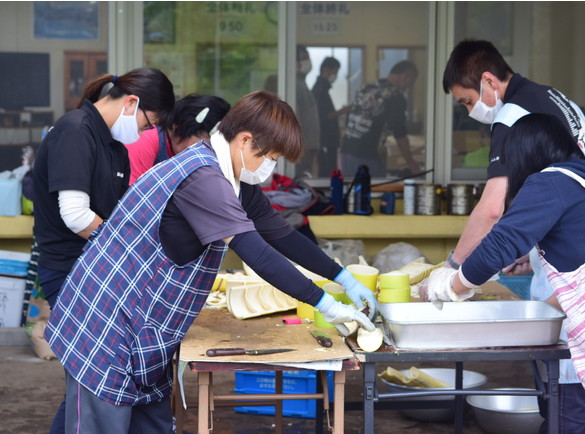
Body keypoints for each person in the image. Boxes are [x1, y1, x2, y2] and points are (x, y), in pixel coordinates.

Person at [44, 91, 377, 433]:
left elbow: (281, 234)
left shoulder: (235, 179)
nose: (270, 168)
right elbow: (257, 252)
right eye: (272, 157)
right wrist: (325, 303)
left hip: (142, 332)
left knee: (154, 425)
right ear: (246, 141)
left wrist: (343, 277)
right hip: (107, 327)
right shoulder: (203, 177)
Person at [420, 113, 585, 433]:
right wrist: (535, 257)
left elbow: (501, 242)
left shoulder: (550, 180)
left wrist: (449, 284)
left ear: (525, 155)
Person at [440, 39, 585, 433]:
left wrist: (451, 271)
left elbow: (493, 208)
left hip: (574, 258)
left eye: (466, 101)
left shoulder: (512, 113)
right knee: (572, 374)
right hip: (581, 242)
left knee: (562, 382)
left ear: (488, 81)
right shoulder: (551, 96)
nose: (470, 111)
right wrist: (529, 246)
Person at [32, 68, 175, 434]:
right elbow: (75, 214)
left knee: (92, 382)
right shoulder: (75, 131)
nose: (144, 134)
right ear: (132, 103)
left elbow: (118, 212)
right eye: (148, 125)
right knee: (91, 378)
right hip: (70, 272)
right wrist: (125, 251)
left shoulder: (112, 145)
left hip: (99, 272)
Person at [126, 93, 230, 184]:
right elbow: (130, 197)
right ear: (182, 126)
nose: (203, 153)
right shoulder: (148, 137)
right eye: (203, 145)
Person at [340, 60, 420, 177]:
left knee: (353, 192)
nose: (407, 88)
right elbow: (400, 133)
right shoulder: (395, 96)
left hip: (346, 152)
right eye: (409, 83)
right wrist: (411, 162)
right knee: (374, 192)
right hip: (365, 157)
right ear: (406, 75)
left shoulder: (366, 87)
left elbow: (351, 116)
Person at [312, 56, 349, 175]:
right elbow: (323, 115)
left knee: (331, 169)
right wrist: (343, 111)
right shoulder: (320, 89)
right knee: (327, 171)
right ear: (326, 70)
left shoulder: (323, 88)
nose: (336, 76)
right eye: (335, 72)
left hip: (328, 140)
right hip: (325, 139)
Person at [294, 45, 321, 177]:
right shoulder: (293, 85)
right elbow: (294, 118)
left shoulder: (303, 83)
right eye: (303, 59)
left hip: (308, 147)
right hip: (301, 148)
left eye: (307, 58)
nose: (307, 62)